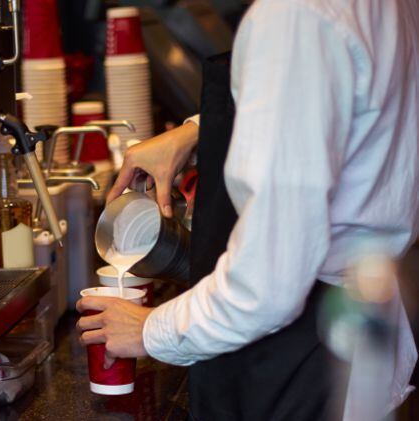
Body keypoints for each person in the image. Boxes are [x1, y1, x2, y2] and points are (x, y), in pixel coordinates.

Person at [77, 0, 419, 419]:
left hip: (307, 354)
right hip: (361, 327)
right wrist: (200, 130)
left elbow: (267, 286)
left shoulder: (292, 17)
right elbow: (339, 100)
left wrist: (150, 329)